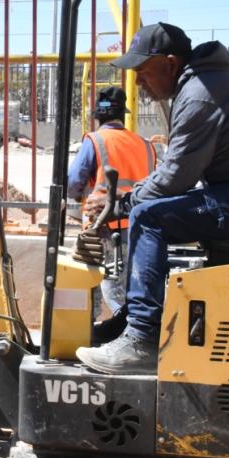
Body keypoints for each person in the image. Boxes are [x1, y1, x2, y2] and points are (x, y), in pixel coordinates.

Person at [75, 23, 229, 374]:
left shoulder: (200, 92)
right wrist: (128, 199)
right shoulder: (203, 85)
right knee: (150, 211)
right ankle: (132, 322)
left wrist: (119, 205)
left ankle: (142, 339)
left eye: (142, 72)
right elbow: (175, 170)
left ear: (169, 64)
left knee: (148, 217)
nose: (138, 83)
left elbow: (176, 177)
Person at [66, 86, 156, 332]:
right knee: (131, 289)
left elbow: (73, 182)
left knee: (105, 286)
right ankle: (128, 332)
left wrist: (80, 199)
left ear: (98, 115)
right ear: (123, 115)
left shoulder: (94, 140)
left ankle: (102, 334)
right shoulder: (145, 145)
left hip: (104, 227)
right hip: (141, 227)